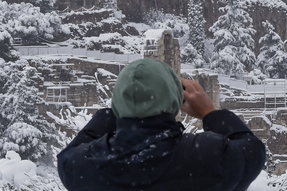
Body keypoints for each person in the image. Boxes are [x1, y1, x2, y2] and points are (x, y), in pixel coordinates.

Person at [57, 58, 265, 190]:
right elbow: (252, 151)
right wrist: (210, 113)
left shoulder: (82, 167)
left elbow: (70, 152)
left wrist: (125, 105)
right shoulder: (208, 157)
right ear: (175, 101)